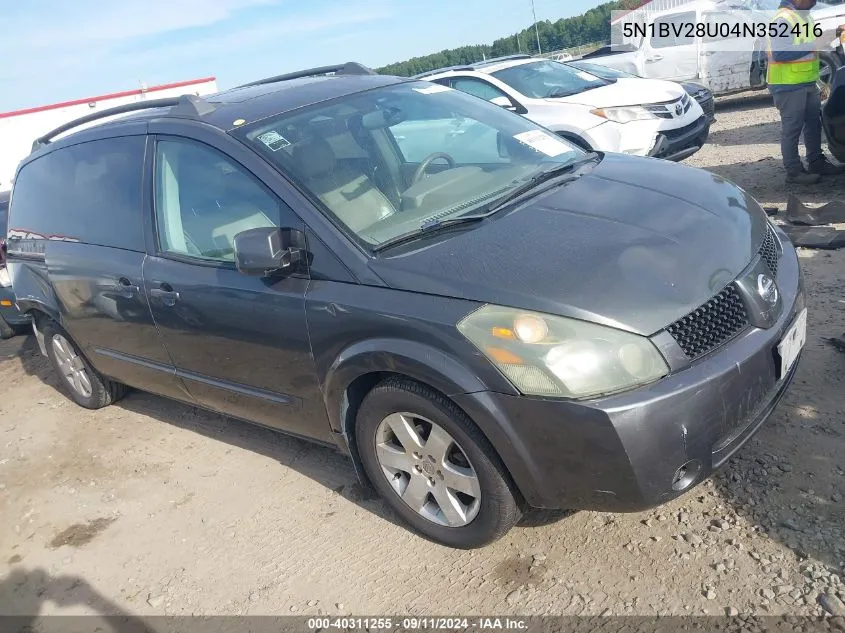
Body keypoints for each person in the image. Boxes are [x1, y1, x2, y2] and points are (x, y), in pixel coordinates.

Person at [768, 0, 845, 184]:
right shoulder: (782, 20)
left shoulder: (803, 17)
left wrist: (833, 33)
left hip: (806, 82)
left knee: (813, 124)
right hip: (788, 85)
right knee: (792, 129)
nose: (815, 1)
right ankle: (794, 172)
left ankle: (816, 162)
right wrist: (813, 44)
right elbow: (781, 53)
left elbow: (811, 40)